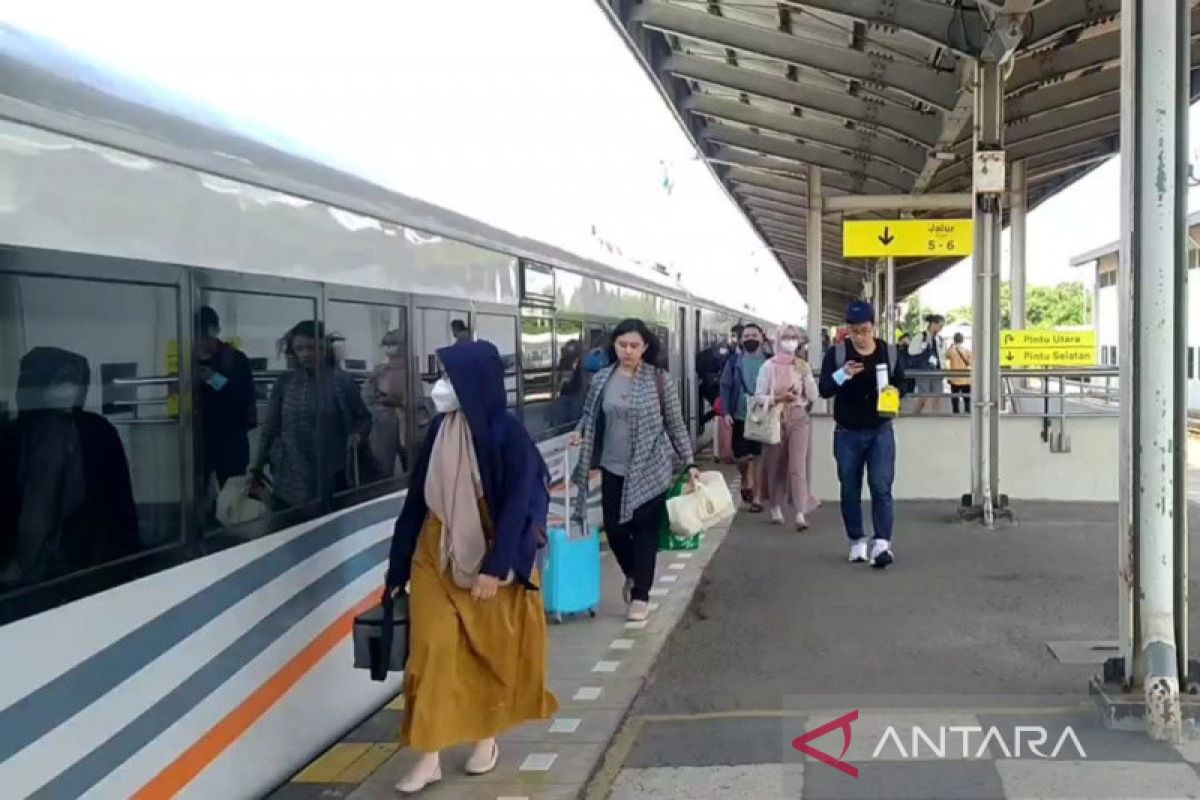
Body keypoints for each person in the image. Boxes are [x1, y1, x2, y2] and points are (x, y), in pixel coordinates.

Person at [384, 340, 558, 793]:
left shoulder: (508, 434)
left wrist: (496, 567)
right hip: (434, 551)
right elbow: (415, 500)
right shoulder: (440, 429)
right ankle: (429, 756)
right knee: (432, 650)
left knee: (487, 650)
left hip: (487, 551)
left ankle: (486, 739)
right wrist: (396, 570)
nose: (440, 387)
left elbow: (520, 504)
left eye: (449, 378)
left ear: (473, 383)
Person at [569, 318, 698, 622]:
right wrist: (580, 432)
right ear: (613, 346)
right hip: (613, 467)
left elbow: (675, 423)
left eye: (634, 346)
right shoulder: (602, 379)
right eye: (622, 345)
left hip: (651, 467)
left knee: (644, 530)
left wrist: (689, 462)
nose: (628, 351)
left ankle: (641, 595)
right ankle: (632, 574)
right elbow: (589, 416)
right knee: (614, 530)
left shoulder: (659, 380)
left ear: (645, 347)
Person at [0, 347, 139, 587]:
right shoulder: (11, 438)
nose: (71, 390)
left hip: (90, 566)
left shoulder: (97, 433)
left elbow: (120, 504)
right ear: (38, 385)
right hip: (22, 577)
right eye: (61, 382)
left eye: (77, 382)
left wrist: (124, 563)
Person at [819, 301, 905, 569]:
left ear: (873, 327)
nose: (860, 336)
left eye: (864, 330)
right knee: (849, 488)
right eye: (854, 331)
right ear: (847, 329)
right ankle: (857, 540)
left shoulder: (888, 353)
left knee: (881, 485)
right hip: (847, 432)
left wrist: (894, 393)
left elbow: (903, 383)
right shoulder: (837, 354)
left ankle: (882, 542)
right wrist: (842, 374)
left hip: (880, 430)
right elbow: (824, 390)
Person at [250, 321, 372, 507]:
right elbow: (271, 427)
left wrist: (357, 436)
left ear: (323, 349)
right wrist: (256, 467)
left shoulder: (341, 382)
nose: (306, 354)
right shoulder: (285, 383)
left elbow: (363, 417)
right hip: (290, 474)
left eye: (311, 348)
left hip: (333, 471)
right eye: (300, 348)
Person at [756, 324, 820, 531]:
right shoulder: (768, 366)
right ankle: (775, 504)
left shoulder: (802, 365)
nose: (790, 341)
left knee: (798, 464)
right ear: (778, 340)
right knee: (775, 462)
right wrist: (778, 398)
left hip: (799, 417)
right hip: (774, 418)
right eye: (786, 337)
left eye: (794, 337)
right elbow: (759, 396)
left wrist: (807, 375)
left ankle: (801, 511)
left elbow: (813, 396)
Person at [194, 306, 257, 497]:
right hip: (198, 438)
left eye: (207, 336)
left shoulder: (234, 359)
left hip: (231, 438)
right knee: (196, 494)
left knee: (233, 496)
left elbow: (242, 394)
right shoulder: (187, 359)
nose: (203, 342)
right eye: (199, 336)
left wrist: (214, 379)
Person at [720, 323, 768, 511]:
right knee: (740, 456)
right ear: (741, 340)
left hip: (761, 415)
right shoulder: (734, 362)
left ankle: (757, 496)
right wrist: (725, 412)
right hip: (739, 414)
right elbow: (725, 386)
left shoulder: (769, 361)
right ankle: (745, 478)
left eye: (754, 335)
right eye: (747, 336)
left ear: (761, 338)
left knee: (757, 455)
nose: (750, 339)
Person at [362, 328, 409, 477]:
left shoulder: (411, 368)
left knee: (411, 465)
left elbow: (418, 398)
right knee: (383, 466)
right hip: (383, 422)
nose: (389, 349)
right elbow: (366, 395)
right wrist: (379, 403)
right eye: (387, 345)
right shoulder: (380, 369)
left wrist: (400, 402)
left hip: (408, 422)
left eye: (393, 344)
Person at [907, 314, 947, 414]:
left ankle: (936, 416)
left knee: (937, 396)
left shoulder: (940, 340)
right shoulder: (921, 336)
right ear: (933, 324)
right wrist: (924, 345)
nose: (941, 328)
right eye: (939, 325)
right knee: (923, 397)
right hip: (923, 370)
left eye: (942, 326)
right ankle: (915, 414)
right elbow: (911, 351)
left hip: (937, 371)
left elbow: (943, 356)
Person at [947, 331, 972, 414]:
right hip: (966, 378)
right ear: (962, 340)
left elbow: (945, 356)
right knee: (967, 398)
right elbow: (971, 363)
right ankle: (967, 410)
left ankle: (956, 412)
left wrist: (950, 347)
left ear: (954, 340)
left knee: (955, 397)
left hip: (954, 378)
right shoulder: (967, 351)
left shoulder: (951, 351)